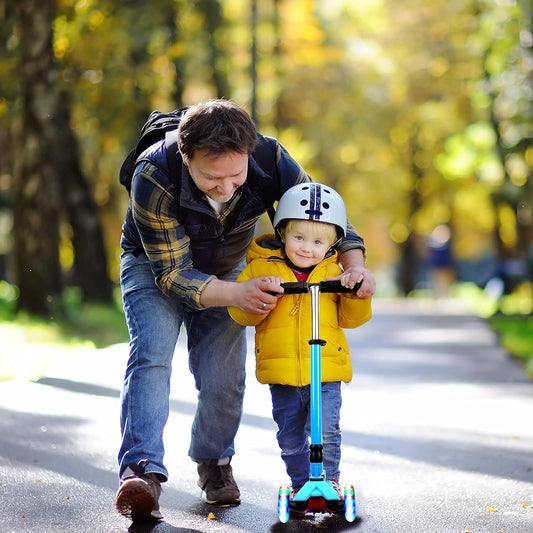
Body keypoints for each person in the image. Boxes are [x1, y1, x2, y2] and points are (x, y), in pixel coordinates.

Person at [115, 99, 375, 522]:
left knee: (223, 377)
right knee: (152, 357)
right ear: (186, 156)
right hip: (155, 266)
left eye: (236, 175)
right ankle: (143, 474)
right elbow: (173, 274)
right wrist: (236, 294)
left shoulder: (270, 157)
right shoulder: (154, 173)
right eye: (211, 178)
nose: (226, 187)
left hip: (230, 264)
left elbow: (322, 211)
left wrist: (356, 268)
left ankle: (214, 464)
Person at [228, 183, 372, 508]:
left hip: (325, 370)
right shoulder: (261, 269)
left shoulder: (335, 272)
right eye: (299, 238)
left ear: (333, 242)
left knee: (327, 429)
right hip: (282, 373)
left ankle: (329, 480)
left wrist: (355, 290)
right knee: (290, 435)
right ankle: (299, 484)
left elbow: (353, 319)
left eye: (318, 241)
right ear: (282, 233)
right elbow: (240, 314)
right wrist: (258, 296)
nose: (307, 248)